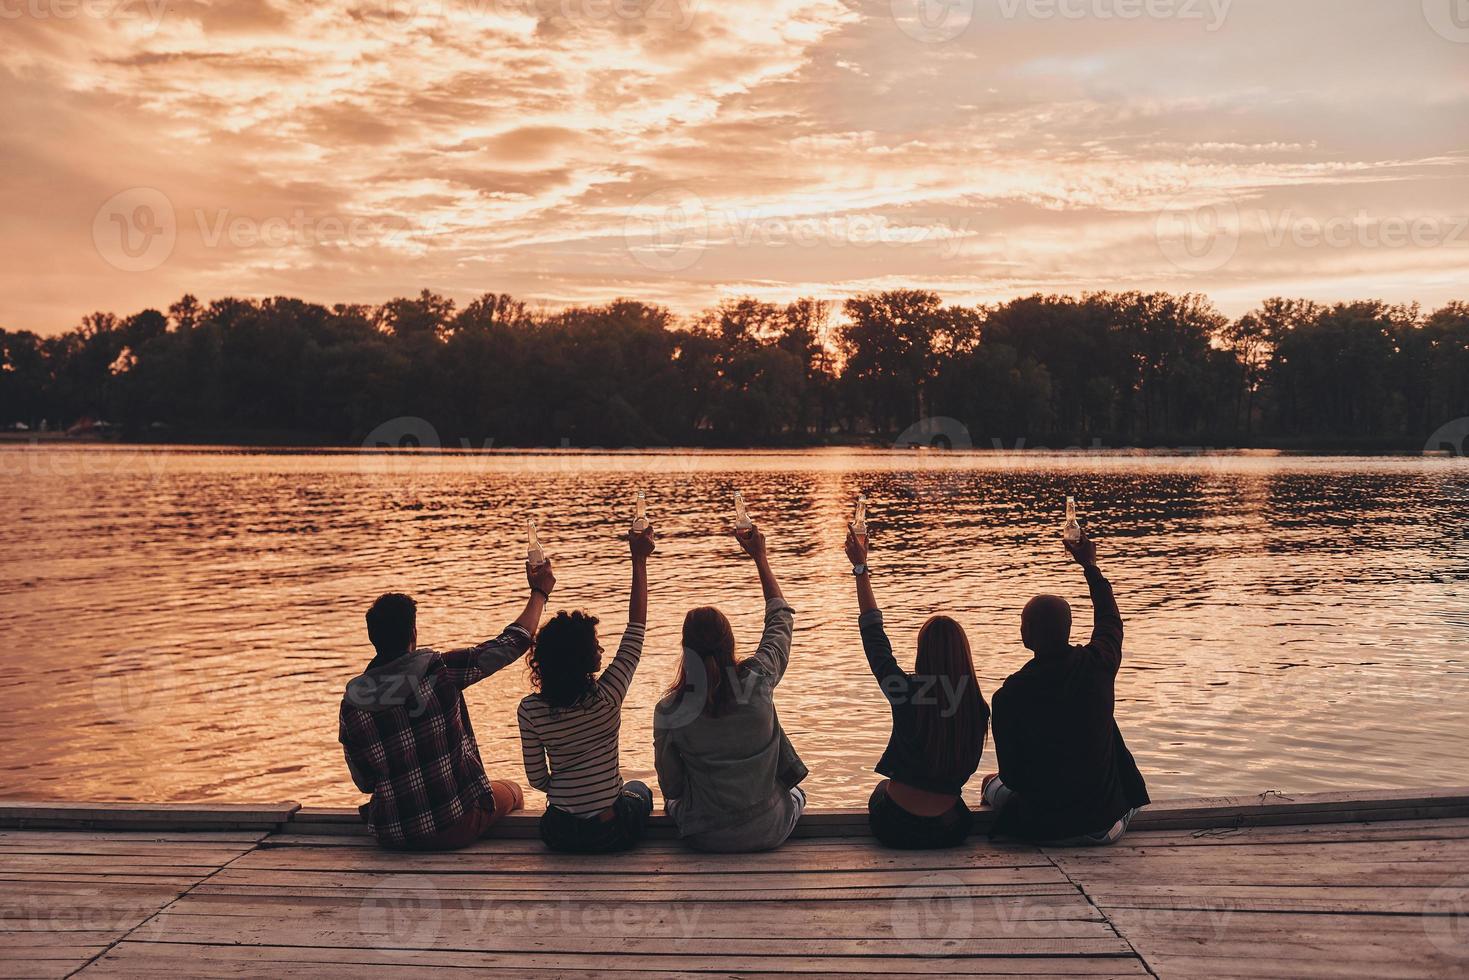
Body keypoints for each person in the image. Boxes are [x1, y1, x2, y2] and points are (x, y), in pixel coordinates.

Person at [338, 560, 556, 851]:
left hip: (391, 833)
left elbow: (364, 783)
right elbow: (512, 643)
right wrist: (539, 593)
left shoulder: (352, 703)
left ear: (373, 639)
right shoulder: (439, 670)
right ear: (412, 634)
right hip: (453, 827)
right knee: (513, 792)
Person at [983, 529, 1150, 845]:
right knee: (1123, 779)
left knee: (990, 783)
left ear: (1027, 635)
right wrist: (1090, 566)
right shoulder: (1098, 665)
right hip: (1104, 826)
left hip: (1043, 828)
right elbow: (1110, 620)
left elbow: (1013, 777)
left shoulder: (1008, 696)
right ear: (1068, 629)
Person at [653, 523, 807, 852]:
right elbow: (781, 622)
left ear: (685, 648)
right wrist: (760, 558)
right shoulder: (758, 680)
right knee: (797, 791)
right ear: (730, 642)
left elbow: (673, 787)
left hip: (704, 836)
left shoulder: (671, 710)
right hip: (769, 829)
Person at [844, 527, 989, 849]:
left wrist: (861, 569)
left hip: (894, 823)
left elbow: (874, 637)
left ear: (923, 652)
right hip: (951, 827)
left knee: (882, 789)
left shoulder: (905, 691)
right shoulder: (977, 707)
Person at [517, 527, 657, 852]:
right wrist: (639, 560)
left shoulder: (531, 711)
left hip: (560, 833)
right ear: (583, 660)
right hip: (611, 833)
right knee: (639, 789)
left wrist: (569, 789)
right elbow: (635, 630)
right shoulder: (607, 698)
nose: (602, 652)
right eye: (596, 646)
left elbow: (538, 780)